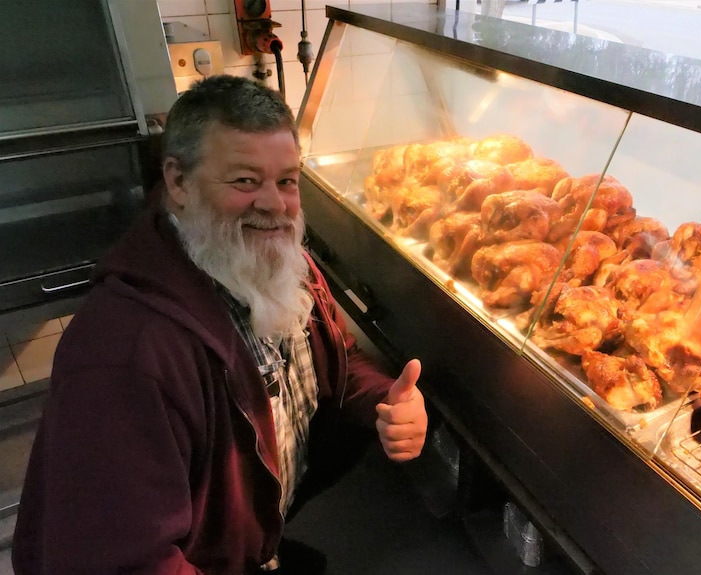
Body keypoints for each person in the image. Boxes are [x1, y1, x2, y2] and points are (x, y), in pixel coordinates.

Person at [12, 74, 428, 574]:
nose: (274, 205)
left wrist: (387, 400)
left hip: (248, 546)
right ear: (178, 181)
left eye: (287, 181)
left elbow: (333, 356)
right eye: (245, 181)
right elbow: (121, 562)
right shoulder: (127, 352)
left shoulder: (274, 264)